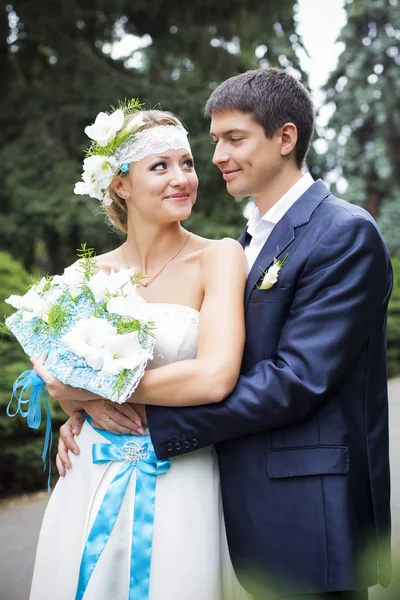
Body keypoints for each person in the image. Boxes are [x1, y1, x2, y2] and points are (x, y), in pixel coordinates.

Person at [60, 68, 393, 600]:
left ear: (286, 138)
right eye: (214, 141)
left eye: (234, 139)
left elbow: (295, 381)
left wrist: (114, 397)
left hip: (306, 511)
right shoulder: (246, 242)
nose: (216, 157)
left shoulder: (342, 232)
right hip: (221, 499)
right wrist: (83, 411)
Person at [29, 108, 251, 600]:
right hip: (90, 473)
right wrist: (76, 404)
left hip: (184, 475)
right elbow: (54, 373)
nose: (183, 179)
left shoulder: (218, 258)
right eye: (160, 166)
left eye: (187, 163)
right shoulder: (83, 277)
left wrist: (92, 388)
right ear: (121, 184)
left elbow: (215, 377)